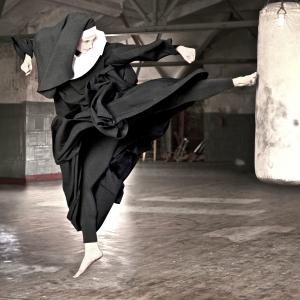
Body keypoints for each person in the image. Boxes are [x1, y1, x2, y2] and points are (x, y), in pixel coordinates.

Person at [11, 12, 257, 278]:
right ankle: (91, 247)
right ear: (71, 40)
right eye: (87, 42)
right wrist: (26, 58)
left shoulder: (105, 53)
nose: (93, 45)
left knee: (163, 94)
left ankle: (232, 81)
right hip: (78, 129)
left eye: (95, 39)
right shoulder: (50, 42)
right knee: (79, 187)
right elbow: (25, 41)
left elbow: (142, 51)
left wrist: (177, 48)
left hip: (109, 116)